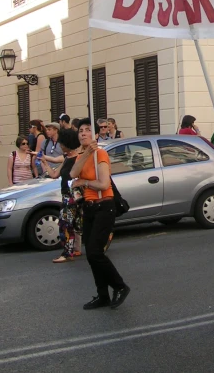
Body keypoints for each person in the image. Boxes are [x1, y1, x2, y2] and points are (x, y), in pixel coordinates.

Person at [70, 118, 130, 310]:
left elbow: (104, 184)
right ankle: (102, 294)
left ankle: (120, 286)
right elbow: (73, 174)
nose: (83, 133)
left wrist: (85, 183)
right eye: (81, 131)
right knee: (91, 254)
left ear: (95, 135)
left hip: (105, 206)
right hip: (89, 208)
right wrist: (86, 153)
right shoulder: (83, 156)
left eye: (88, 130)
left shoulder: (101, 154)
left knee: (96, 251)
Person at [42, 128, 82, 263]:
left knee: (65, 225)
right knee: (73, 225)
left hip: (72, 196)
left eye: (61, 143)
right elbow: (54, 174)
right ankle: (75, 249)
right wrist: (45, 164)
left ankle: (67, 253)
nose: (59, 145)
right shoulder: (67, 158)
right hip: (66, 195)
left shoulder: (78, 158)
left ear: (66, 143)